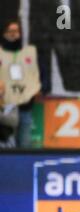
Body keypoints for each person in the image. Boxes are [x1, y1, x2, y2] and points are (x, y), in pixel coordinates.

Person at [0, 20, 41, 148]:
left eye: (16, 31)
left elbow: (40, 72)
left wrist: (38, 89)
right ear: (4, 33)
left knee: (24, 143)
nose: (13, 34)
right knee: (5, 145)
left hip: (25, 106)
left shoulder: (30, 53)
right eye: (10, 31)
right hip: (3, 106)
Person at [0, 80, 18, 148]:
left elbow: (14, 121)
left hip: (6, 140)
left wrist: (1, 116)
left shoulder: (10, 104)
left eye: (1, 89)